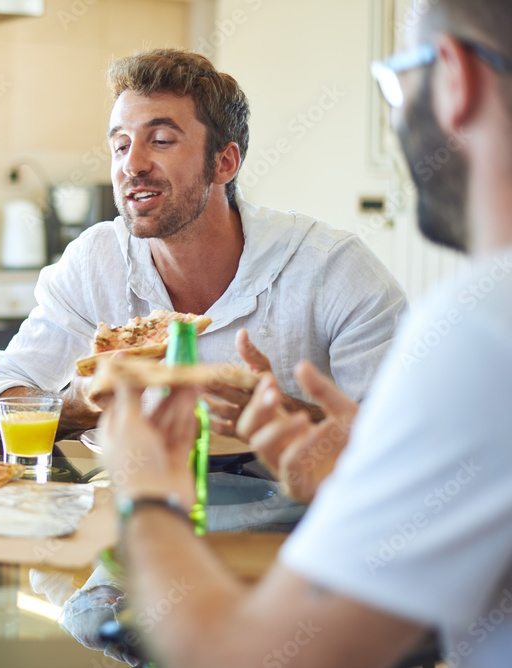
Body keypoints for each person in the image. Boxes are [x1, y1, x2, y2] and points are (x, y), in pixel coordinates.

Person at [100, 0, 512, 664]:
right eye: (120, 143)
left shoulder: (483, 330)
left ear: (453, 77)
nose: (133, 163)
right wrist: (363, 477)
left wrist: (148, 491)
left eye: (400, 77)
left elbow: (248, 658)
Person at [0, 49, 407, 439]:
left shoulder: (333, 268)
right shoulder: (95, 260)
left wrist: (287, 414)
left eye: (161, 141)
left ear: (224, 162)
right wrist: (80, 404)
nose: (132, 165)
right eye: (120, 145)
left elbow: (407, 435)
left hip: (293, 520)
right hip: (134, 513)